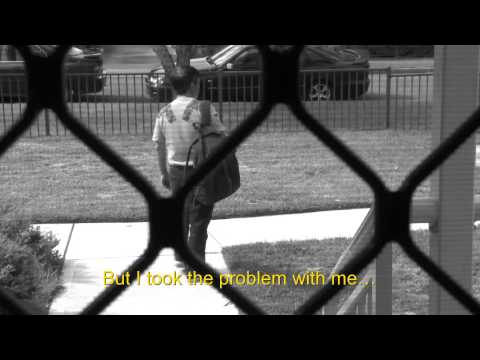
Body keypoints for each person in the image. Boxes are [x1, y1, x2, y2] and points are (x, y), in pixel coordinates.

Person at [152, 65, 226, 268]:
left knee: (181, 214)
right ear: (193, 84)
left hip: (175, 169)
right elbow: (221, 135)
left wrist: (163, 173)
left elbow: (159, 145)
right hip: (201, 170)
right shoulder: (204, 109)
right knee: (200, 216)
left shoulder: (163, 112)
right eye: (199, 82)